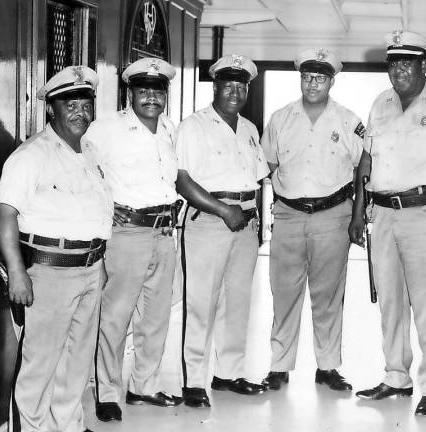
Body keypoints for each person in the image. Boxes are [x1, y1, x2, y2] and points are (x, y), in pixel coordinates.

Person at [349, 30, 426, 416]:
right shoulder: (380, 104)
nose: (399, 69)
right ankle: (396, 376)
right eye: (393, 62)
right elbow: (366, 164)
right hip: (381, 214)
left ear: (423, 65)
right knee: (391, 303)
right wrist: (357, 213)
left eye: (408, 61)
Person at [0, 66, 110, 432]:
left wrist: (99, 260)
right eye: (70, 105)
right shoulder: (31, 155)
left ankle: (68, 424)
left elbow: (94, 209)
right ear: (52, 110)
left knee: (76, 358)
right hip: (48, 272)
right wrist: (16, 272)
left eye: (86, 104)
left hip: (89, 268)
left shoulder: (89, 150)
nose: (80, 113)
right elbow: (4, 215)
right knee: (39, 364)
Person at [83, 57, 181, 422]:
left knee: (156, 317)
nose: (151, 98)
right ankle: (107, 391)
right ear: (130, 93)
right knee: (116, 316)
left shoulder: (169, 129)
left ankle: (144, 386)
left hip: (164, 231)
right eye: (144, 91)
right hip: (126, 233)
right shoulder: (105, 129)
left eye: (157, 91)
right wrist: (107, 211)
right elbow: (85, 173)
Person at [261, 48, 363, 392]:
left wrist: (358, 215)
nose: (313, 83)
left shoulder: (349, 121)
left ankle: (328, 367)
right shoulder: (280, 119)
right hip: (288, 214)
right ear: (300, 79)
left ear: (332, 81)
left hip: (333, 215)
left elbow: (363, 169)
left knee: (329, 295)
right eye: (307, 77)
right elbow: (268, 168)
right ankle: (279, 366)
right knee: (284, 293)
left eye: (320, 77)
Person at [175, 53, 269, 408]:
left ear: (247, 89)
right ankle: (194, 381)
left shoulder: (248, 128)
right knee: (202, 305)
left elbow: (257, 179)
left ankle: (228, 374)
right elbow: (182, 180)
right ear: (215, 86)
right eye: (227, 84)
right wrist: (222, 209)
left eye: (240, 85)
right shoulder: (193, 126)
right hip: (210, 221)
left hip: (244, 223)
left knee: (238, 303)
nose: (234, 91)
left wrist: (254, 219)